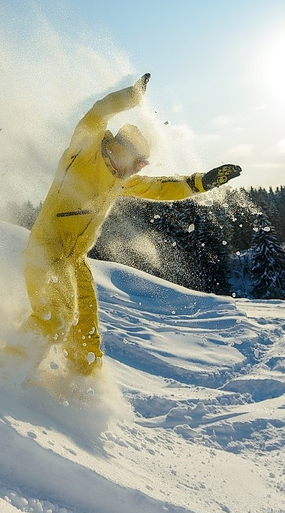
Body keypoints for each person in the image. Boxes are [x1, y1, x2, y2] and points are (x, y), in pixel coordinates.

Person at [20, 73, 241, 377]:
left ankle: (83, 385)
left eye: (143, 165)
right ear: (121, 149)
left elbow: (159, 187)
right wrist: (132, 97)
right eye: (139, 162)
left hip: (75, 261)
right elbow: (97, 113)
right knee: (55, 317)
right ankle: (1, 372)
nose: (139, 170)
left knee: (86, 338)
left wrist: (200, 182)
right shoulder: (84, 153)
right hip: (47, 250)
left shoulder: (119, 180)